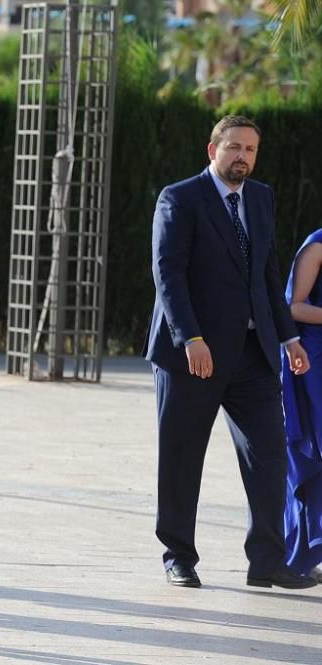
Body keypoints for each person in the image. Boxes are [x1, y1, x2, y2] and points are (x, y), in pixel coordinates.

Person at [144, 115, 316, 590]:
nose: (242, 156)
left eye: (251, 150)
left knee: (269, 458)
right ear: (212, 150)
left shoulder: (260, 198)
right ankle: (178, 555)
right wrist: (190, 338)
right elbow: (169, 275)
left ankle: (267, 562)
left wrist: (288, 337)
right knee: (181, 458)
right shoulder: (179, 198)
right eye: (234, 147)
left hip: (253, 354)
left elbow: (267, 273)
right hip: (191, 355)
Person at [280, 231, 322, 581]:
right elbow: (292, 306)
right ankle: (304, 549)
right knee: (316, 453)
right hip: (315, 360)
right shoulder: (317, 244)